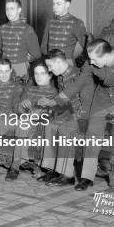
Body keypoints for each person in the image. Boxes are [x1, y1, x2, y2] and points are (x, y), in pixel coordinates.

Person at [52, 39, 114, 196]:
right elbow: (78, 83)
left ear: (107, 55)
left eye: (94, 59)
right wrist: (57, 99)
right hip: (104, 99)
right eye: (89, 58)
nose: (90, 62)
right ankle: (87, 177)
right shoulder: (90, 63)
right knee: (92, 130)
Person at [39, 49, 95, 186]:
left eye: (50, 66)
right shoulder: (60, 76)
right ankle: (53, 169)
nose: (49, 70)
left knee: (65, 129)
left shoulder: (78, 76)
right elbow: (64, 102)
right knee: (50, 125)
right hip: (70, 114)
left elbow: (87, 103)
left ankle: (67, 175)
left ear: (58, 61)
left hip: (83, 115)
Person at [11, 59, 57, 179]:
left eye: (42, 73)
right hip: (28, 122)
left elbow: (53, 113)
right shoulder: (30, 89)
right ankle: (15, 166)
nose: (39, 77)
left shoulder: (54, 93)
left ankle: (21, 164)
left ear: (50, 75)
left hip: (43, 124)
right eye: (36, 74)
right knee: (23, 123)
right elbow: (18, 110)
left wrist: (39, 113)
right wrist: (23, 106)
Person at [0, 0, 41, 80]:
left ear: (19, 10)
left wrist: (28, 58)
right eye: (7, 9)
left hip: (20, 69)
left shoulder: (27, 29)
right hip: (4, 68)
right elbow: (1, 50)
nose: (9, 12)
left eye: (12, 9)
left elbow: (37, 54)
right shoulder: (2, 28)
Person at [41, 0, 87, 64]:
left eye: (58, 4)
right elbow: (44, 45)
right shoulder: (50, 21)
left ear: (67, 4)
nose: (54, 7)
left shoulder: (76, 23)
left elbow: (86, 46)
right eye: (53, 4)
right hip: (50, 62)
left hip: (66, 63)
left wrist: (76, 61)